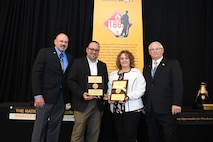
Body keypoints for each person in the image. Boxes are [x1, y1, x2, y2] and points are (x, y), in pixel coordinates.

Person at [31, 33, 74, 142]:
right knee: (39, 128)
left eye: (66, 42)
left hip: (60, 99)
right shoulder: (44, 53)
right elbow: (36, 74)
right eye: (61, 41)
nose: (63, 44)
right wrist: (37, 95)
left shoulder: (69, 57)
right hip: (44, 98)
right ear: (55, 42)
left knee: (55, 128)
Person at [67, 41, 108, 142]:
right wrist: (82, 94)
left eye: (96, 50)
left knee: (94, 133)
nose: (94, 52)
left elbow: (105, 83)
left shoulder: (102, 65)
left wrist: (101, 93)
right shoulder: (77, 63)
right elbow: (70, 81)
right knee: (78, 134)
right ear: (87, 50)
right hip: (82, 103)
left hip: (97, 105)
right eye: (92, 49)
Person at [143, 41, 183, 142]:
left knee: (168, 136)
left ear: (162, 51)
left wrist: (176, 103)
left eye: (157, 49)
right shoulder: (146, 67)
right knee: (152, 136)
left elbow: (178, 84)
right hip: (150, 109)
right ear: (149, 52)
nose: (155, 51)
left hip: (167, 108)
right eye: (152, 49)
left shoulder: (172, 64)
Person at [107, 50, 146, 142]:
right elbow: (109, 89)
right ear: (119, 60)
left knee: (130, 136)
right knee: (120, 135)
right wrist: (109, 97)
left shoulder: (136, 73)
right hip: (116, 110)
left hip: (132, 110)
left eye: (126, 58)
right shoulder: (113, 74)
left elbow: (141, 89)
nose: (124, 60)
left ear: (130, 60)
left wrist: (128, 97)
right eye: (122, 58)